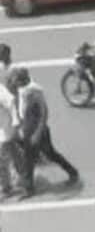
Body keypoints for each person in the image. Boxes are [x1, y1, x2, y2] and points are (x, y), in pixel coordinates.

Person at [9, 67, 79, 198]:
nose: (14, 83)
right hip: (27, 129)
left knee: (43, 156)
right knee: (34, 158)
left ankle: (72, 172)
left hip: (38, 132)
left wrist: (37, 133)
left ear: (22, 80)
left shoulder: (35, 92)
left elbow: (43, 114)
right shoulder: (22, 90)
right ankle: (29, 187)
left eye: (16, 80)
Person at [0, 78, 20, 198]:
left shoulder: (0, 91)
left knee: (2, 160)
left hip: (4, 131)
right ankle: (24, 174)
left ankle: (7, 187)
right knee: (13, 153)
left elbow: (11, 104)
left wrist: (15, 120)